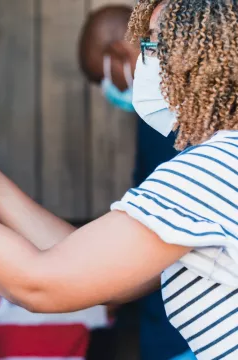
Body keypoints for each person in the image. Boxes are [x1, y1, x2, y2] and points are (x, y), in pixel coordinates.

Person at [0, 1, 238, 359]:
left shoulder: (207, 173)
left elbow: (39, 283)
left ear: (198, 53)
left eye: (153, 42)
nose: (141, 58)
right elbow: (95, 267)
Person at [79, 6, 194, 360]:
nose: (109, 90)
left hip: (187, 325)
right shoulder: (157, 113)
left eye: (104, 79)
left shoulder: (188, 114)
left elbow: (157, 219)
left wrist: (113, 278)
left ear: (118, 52)